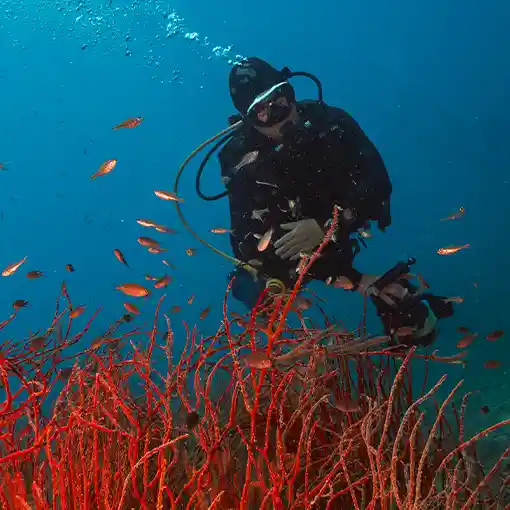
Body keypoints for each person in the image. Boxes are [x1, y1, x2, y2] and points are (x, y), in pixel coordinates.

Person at [218, 57, 453, 346]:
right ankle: (293, 352)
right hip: (289, 245)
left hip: (342, 219)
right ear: (249, 121)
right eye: (262, 113)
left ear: (291, 93)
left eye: (280, 100)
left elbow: (378, 184)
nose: (279, 116)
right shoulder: (240, 160)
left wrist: (330, 223)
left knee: (417, 326)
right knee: (248, 290)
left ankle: (398, 304)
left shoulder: (331, 124)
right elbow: (242, 237)